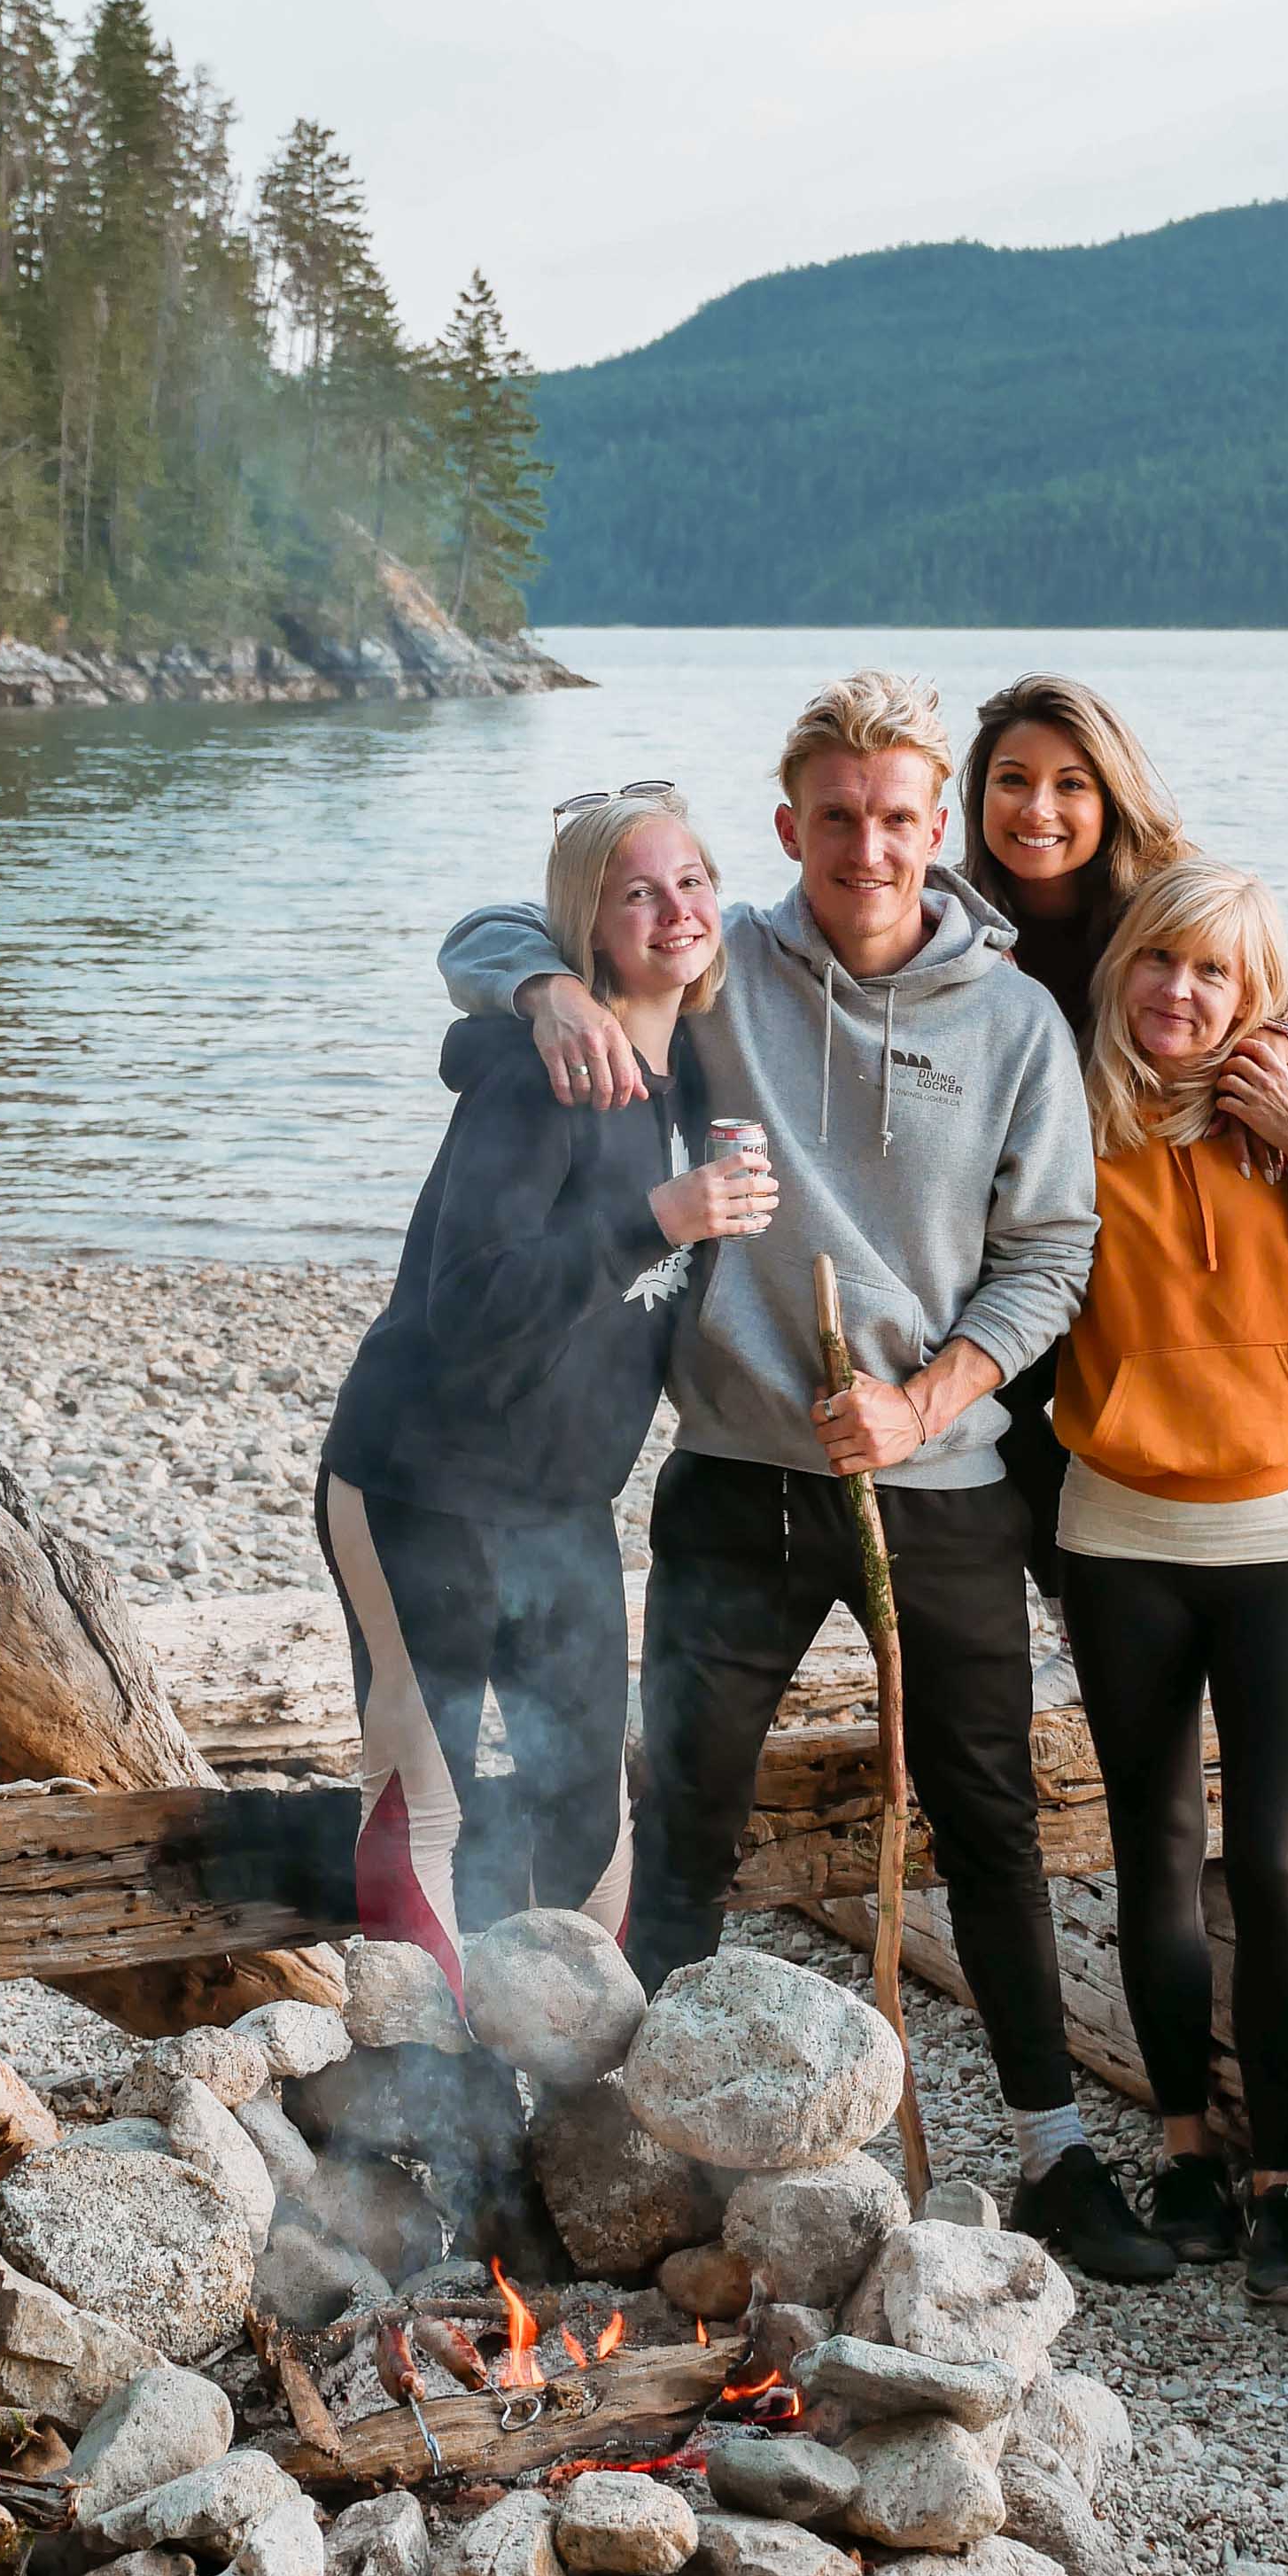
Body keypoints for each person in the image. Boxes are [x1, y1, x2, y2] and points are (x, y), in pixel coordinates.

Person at [438, 672, 1175, 2281]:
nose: (867, 846)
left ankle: (1054, 2150)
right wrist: (543, 996)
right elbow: (499, 923)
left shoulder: (1013, 1021)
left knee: (987, 1818)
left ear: (938, 827)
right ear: (790, 827)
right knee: (681, 1819)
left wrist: (926, 1401)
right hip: (737, 1475)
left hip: (941, 1481)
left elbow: (1049, 1255)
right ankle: (618, 2139)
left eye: (898, 817)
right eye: (834, 818)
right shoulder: (725, 970)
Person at [316, 789, 777, 2006]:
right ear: (589, 923)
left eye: (691, 881)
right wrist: (656, 1221)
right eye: (638, 891)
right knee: (427, 1791)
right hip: (423, 1482)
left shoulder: (690, 1082)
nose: (674, 910)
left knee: (590, 1806)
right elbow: (472, 1305)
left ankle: (587, 2106)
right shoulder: (540, 1077)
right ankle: (414, 2107)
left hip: (567, 1501)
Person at [1053, 858, 1288, 2308]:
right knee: (1149, 1847)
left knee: (1270, 1860)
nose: (1180, 993)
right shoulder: (1070, 1122)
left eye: (1213, 972)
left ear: (1256, 992)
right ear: (1122, 966)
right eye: (1158, 961)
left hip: (1285, 1533)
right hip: (1120, 1530)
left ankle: (1286, 2176)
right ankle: (1185, 2148)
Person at [954, 673, 1288, 1616]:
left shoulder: (1162, 905)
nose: (1037, 808)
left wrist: (1277, 1052)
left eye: (1072, 784)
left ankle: (1093, 1599)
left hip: (1135, 1229)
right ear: (976, 797)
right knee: (979, 1410)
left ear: (1110, 795)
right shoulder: (956, 922)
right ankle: (1064, 1603)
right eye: (1012, 779)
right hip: (1013, 1228)